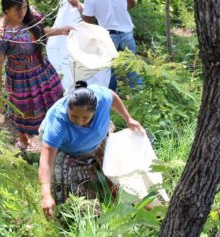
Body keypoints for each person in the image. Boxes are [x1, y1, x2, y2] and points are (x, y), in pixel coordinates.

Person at [39, 80, 145, 220]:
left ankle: (118, 202)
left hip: (98, 141)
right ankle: (70, 217)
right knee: (65, 189)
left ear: (95, 110)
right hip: (68, 151)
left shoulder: (101, 98)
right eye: (74, 116)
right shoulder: (57, 123)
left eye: (85, 117)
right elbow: (46, 161)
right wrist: (46, 194)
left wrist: (128, 118)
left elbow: (112, 96)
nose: (80, 121)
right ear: (68, 109)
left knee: (114, 176)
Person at [0, 0, 73, 151]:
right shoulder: (1, 34)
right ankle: (24, 142)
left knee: (52, 103)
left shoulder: (30, 18)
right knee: (23, 111)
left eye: (25, 7)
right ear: (6, 9)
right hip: (20, 79)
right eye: (17, 9)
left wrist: (61, 31)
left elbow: (40, 32)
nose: (22, 12)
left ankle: (54, 138)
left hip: (42, 71)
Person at [69, 0, 142, 92]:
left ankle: (110, 98)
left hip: (108, 37)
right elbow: (132, 4)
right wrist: (118, 10)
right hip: (127, 33)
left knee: (108, 71)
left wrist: (78, 5)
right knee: (133, 68)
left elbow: (87, 21)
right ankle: (140, 99)